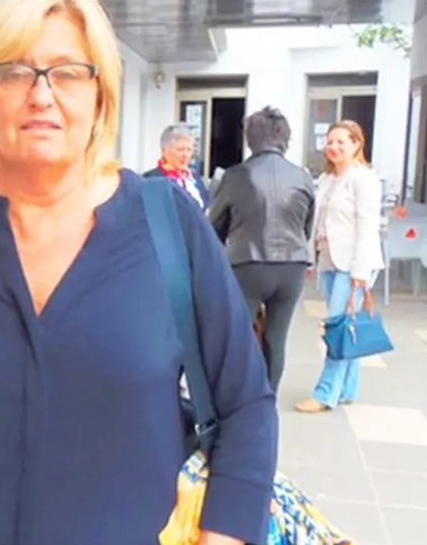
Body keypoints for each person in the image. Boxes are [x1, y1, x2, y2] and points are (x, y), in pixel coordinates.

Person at [0, 0, 278, 545]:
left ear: (100, 100)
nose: (41, 95)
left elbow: (246, 407)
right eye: (14, 72)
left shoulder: (167, 226)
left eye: (68, 73)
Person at [208, 106, 316, 391]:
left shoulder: (236, 175)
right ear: (285, 138)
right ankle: (269, 397)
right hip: (292, 265)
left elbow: (214, 225)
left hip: (248, 263)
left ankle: (239, 396)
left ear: (250, 138)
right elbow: (307, 226)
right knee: (277, 338)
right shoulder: (302, 176)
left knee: (238, 335)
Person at [295, 120, 384, 413]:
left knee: (336, 328)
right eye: (330, 141)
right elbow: (318, 222)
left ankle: (325, 393)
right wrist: (312, 257)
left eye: (341, 142)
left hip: (353, 265)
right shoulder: (327, 178)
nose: (333, 147)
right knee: (346, 326)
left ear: (357, 144)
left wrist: (359, 272)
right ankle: (346, 388)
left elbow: (367, 227)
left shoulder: (364, 179)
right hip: (329, 260)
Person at [143, 124, 210, 209]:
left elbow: (207, 205)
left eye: (189, 150)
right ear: (164, 150)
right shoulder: (151, 179)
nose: (185, 155)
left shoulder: (194, 178)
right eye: (180, 150)